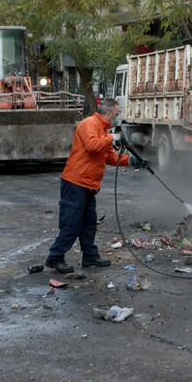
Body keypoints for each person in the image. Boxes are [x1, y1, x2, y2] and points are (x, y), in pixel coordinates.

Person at [45, 98, 147, 273]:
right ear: (108, 112)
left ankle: (90, 257)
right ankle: (55, 258)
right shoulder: (89, 124)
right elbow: (93, 146)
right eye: (116, 114)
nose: (117, 117)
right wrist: (112, 137)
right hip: (75, 182)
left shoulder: (103, 129)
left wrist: (130, 160)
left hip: (89, 185)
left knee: (89, 223)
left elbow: (109, 156)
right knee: (71, 223)